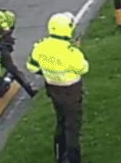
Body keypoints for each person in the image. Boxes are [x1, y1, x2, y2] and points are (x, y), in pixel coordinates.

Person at [27, 13, 90, 163]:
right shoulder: (70, 52)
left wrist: (47, 72)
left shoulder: (40, 46)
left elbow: (31, 67)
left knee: (60, 121)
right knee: (72, 127)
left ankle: (59, 155)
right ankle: (73, 159)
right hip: (71, 91)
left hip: (53, 89)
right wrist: (77, 50)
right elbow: (83, 68)